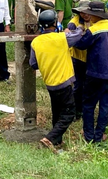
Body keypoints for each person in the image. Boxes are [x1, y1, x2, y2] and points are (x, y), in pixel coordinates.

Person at [30, 9, 82, 151]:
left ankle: (57, 142)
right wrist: (80, 26)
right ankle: (50, 138)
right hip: (64, 82)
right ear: (55, 23)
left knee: (57, 112)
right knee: (69, 113)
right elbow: (78, 35)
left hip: (50, 83)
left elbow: (33, 64)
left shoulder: (36, 42)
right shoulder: (62, 38)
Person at [73, 2, 108, 143]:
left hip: (94, 74)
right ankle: (99, 135)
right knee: (105, 107)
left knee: (89, 105)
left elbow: (81, 45)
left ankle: (89, 136)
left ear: (95, 16)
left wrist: (75, 34)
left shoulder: (93, 30)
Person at [68, 0, 91, 120]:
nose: (85, 15)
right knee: (78, 85)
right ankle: (77, 110)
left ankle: (86, 108)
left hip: (91, 58)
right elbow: (71, 41)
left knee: (89, 85)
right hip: (77, 58)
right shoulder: (73, 24)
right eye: (83, 12)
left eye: (87, 12)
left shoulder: (95, 21)